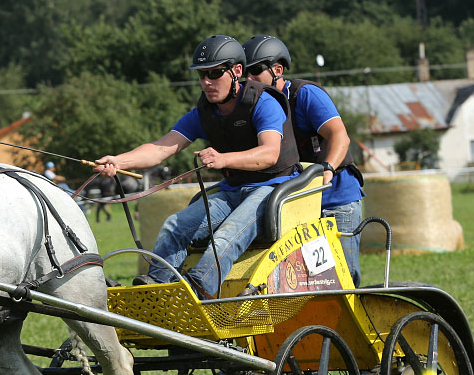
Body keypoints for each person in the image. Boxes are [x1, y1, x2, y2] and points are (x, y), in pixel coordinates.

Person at [95, 35, 301, 298]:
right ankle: (154, 291)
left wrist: (224, 159)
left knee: (225, 238)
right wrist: (118, 160)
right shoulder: (205, 112)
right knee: (174, 226)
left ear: (237, 71)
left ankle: (196, 292)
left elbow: (269, 154)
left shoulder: (263, 102)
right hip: (232, 190)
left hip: (272, 188)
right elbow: (161, 148)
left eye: (215, 73)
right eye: (202, 75)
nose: (206, 82)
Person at [243, 34, 365, 286]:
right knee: (311, 280)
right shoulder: (256, 105)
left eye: (255, 71)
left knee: (343, 280)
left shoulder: (304, 94)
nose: (249, 79)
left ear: (277, 70)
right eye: (244, 73)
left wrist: (328, 169)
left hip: (336, 199)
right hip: (299, 204)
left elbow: (340, 136)